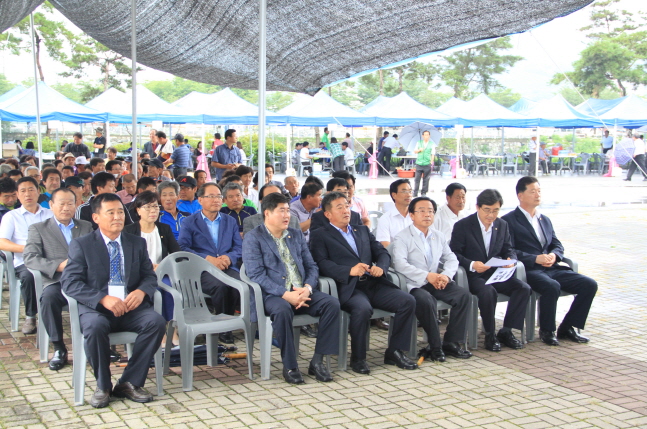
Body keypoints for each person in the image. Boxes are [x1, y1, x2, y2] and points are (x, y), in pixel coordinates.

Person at [60, 193, 166, 408]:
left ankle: (130, 381)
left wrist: (142, 292)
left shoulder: (136, 242)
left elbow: (149, 276)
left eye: (120, 212)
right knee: (96, 326)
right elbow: (70, 283)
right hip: (97, 309)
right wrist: (102, 298)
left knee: (155, 322)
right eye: (111, 213)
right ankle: (103, 385)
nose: (118, 217)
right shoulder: (82, 245)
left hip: (130, 307)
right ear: (96, 217)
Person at [310, 192, 418, 374]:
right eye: (340, 207)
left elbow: (382, 252)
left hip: (373, 283)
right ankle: (358, 358)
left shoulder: (361, 230)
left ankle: (395, 351)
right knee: (362, 309)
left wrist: (382, 267)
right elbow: (321, 263)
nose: (346, 210)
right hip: (349, 287)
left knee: (407, 301)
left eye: (347, 206)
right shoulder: (320, 235)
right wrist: (348, 271)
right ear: (328, 214)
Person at [243, 192, 340, 384]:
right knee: (282, 309)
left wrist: (307, 289)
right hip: (272, 295)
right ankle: (290, 365)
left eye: (288, 210)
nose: (287, 215)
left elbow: (311, 266)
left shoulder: (295, 235)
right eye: (281, 211)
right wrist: (285, 294)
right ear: (267, 213)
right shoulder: (254, 238)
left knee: (332, 304)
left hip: (301, 291)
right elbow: (256, 275)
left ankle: (317, 361)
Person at [502, 177, 597, 346]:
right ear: (520, 195)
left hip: (552, 267)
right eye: (533, 191)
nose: (537, 195)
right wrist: (534, 258)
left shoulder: (544, 219)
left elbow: (556, 244)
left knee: (589, 284)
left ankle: (567, 327)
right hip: (529, 270)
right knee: (551, 286)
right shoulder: (509, 221)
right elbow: (508, 250)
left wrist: (554, 255)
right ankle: (547, 330)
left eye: (539, 191)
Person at [391, 197, 472, 361]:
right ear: (412, 215)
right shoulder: (402, 237)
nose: (427, 214)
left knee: (464, 296)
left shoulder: (438, 236)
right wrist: (428, 276)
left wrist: (446, 276)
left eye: (430, 211)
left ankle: (451, 342)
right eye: (421, 211)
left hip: (437, 282)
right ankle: (435, 346)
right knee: (426, 301)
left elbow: (451, 259)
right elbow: (400, 265)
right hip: (415, 284)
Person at [449, 189, 531, 352]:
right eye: (487, 210)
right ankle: (490, 334)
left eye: (495, 211)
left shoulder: (502, 225)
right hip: (473, 275)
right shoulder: (463, 226)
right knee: (488, 292)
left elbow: (509, 248)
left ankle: (506, 330)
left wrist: (510, 259)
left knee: (523, 288)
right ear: (478, 207)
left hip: (497, 273)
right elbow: (453, 253)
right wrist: (472, 264)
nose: (491, 215)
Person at [24, 188, 93, 370]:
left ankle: (97, 344)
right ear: (52, 205)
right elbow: (30, 257)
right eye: (61, 203)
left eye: (70, 203)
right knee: (48, 299)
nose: (66, 207)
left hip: (85, 281)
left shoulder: (85, 226)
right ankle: (59, 347)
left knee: (103, 295)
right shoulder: (39, 228)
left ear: (76, 204)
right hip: (58, 280)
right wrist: (58, 265)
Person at [178, 183, 242, 344]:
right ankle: (222, 328)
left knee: (239, 284)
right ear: (200, 200)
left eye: (219, 196)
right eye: (211, 196)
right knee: (219, 287)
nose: (217, 200)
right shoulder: (189, 222)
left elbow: (239, 247)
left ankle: (227, 323)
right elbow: (183, 248)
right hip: (201, 270)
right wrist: (207, 259)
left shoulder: (229, 221)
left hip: (226, 266)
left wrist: (229, 257)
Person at [0, 177, 54, 334]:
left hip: (50, 259)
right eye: (22, 191)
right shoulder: (11, 217)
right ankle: (31, 315)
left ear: (38, 191)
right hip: (25, 261)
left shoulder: (50, 214)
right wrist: (27, 249)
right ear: (17, 194)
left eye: (31, 189)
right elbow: (2, 243)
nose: (27, 194)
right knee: (30, 277)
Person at [375, 179, 413, 247]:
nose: (409, 195)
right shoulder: (385, 219)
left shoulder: (417, 216)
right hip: (396, 256)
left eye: (410, 191)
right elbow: (385, 245)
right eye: (404, 191)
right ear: (394, 195)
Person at [412, 130, 435, 197]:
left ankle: (424, 192)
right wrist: (419, 150)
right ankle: (415, 192)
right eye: (425, 135)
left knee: (426, 179)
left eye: (427, 135)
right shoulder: (419, 143)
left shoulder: (431, 144)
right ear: (422, 136)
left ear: (429, 136)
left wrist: (431, 162)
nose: (426, 136)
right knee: (417, 179)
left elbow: (432, 154)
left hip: (427, 163)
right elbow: (415, 151)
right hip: (419, 163)